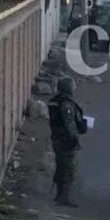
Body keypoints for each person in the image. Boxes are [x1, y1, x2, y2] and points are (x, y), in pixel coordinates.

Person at [48, 76, 87, 207]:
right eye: (73, 84)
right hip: (66, 140)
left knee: (61, 166)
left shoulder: (55, 101)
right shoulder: (66, 104)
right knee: (70, 170)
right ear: (68, 87)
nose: (75, 87)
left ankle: (59, 195)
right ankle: (64, 198)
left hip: (57, 138)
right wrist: (75, 139)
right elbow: (69, 123)